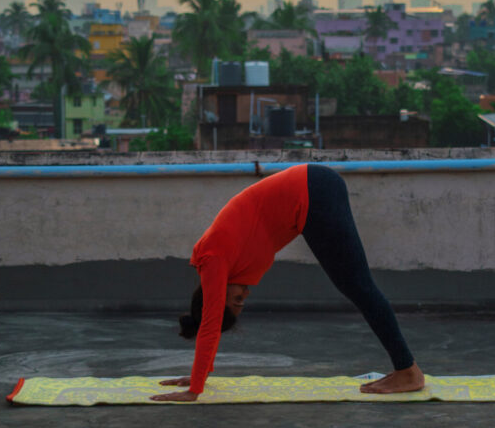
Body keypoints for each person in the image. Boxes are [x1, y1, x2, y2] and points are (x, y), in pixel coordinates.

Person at [151, 164, 425, 402]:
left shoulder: (212, 259)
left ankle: (408, 371)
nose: (245, 293)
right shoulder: (225, 262)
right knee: (357, 286)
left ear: (216, 292)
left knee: (359, 287)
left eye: (237, 299)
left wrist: (195, 389)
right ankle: (406, 369)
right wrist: (204, 372)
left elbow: (210, 322)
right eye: (243, 301)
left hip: (313, 191)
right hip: (314, 191)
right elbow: (213, 318)